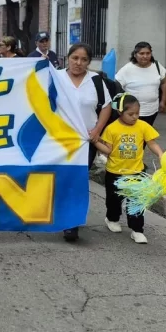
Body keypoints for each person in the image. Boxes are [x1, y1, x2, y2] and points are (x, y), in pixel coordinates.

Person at [57, 44, 112, 242]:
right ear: (68, 58)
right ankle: (62, 214)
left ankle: (71, 223)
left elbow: (106, 107)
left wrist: (97, 130)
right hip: (60, 140)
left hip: (85, 141)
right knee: (62, 178)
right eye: (75, 58)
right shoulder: (55, 77)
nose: (78, 63)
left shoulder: (95, 80)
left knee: (78, 180)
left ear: (89, 62)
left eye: (84, 59)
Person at [92, 93, 164, 244]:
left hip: (136, 172)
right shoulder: (112, 128)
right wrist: (95, 141)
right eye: (131, 114)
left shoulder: (143, 126)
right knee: (114, 201)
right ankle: (112, 219)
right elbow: (108, 150)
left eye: (137, 113)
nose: (135, 117)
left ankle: (137, 230)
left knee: (136, 202)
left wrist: (160, 154)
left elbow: (152, 143)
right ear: (120, 112)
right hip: (114, 172)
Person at [115, 41, 166, 127]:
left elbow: (164, 83)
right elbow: (117, 86)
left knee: (146, 131)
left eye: (148, 53)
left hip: (152, 110)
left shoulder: (157, 66)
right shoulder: (127, 69)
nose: (145, 56)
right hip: (133, 112)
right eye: (141, 53)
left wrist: (163, 100)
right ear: (135, 55)